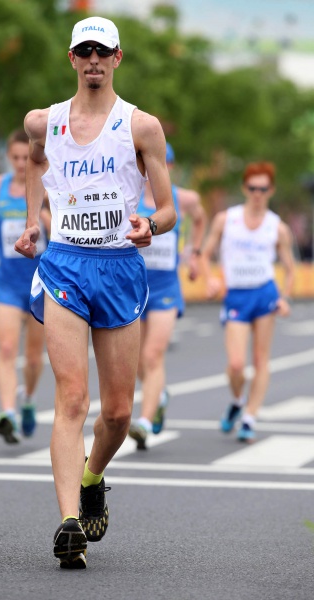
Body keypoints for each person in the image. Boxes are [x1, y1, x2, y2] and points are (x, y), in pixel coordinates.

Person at [14, 16, 177, 569]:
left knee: (119, 413)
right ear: (71, 59)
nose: (92, 61)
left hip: (119, 266)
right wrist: (34, 220)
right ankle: (68, 524)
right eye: (83, 51)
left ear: (117, 58)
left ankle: (92, 478)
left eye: (101, 52)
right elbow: (36, 158)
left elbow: (168, 210)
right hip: (64, 265)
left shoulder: (141, 127)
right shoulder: (44, 120)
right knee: (72, 399)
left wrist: (150, 226)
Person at [201, 161, 295, 443]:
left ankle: (250, 419)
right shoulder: (226, 219)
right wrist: (210, 280)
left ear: (271, 191)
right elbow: (205, 254)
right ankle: (238, 401)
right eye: (253, 188)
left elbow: (290, 268)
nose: (257, 194)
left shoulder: (277, 227)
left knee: (260, 360)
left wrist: (284, 298)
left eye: (263, 189)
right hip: (237, 296)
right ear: (244, 188)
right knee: (236, 364)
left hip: (264, 294)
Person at [128, 142, 206, 449]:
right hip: (134, 288)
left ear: (169, 166)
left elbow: (199, 218)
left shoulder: (183, 198)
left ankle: (145, 422)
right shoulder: (129, 197)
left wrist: (195, 254)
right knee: (137, 362)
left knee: (152, 355)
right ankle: (159, 396)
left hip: (166, 288)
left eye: (163, 163)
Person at [0, 129, 50, 444]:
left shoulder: (46, 186)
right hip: (7, 280)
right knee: (6, 348)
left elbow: (59, 227)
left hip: (38, 282)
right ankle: (8, 413)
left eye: (25, 157)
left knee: (32, 358)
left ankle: (28, 399)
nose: (21, 163)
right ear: (9, 156)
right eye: (16, 157)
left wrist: (43, 218)